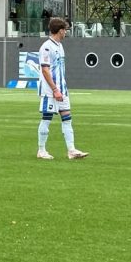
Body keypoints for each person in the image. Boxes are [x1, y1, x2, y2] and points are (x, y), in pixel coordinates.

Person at [36, 16, 88, 161]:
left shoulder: (59, 45)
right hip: (50, 91)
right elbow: (45, 70)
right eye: (65, 30)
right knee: (47, 118)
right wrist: (54, 89)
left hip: (61, 89)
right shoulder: (46, 47)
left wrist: (61, 88)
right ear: (60, 31)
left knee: (67, 118)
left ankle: (71, 150)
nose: (66, 33)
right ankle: (41, 150)